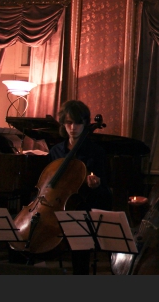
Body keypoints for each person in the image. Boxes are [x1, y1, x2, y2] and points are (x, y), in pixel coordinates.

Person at [48, 100, 113, 274]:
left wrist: (96, 184)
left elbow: (105, 191)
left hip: (82, 206)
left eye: (78, 123)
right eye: (69, 122)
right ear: (63, 123)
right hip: (57, 205)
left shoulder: (96, 152)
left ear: (85, 124)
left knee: (80, 236)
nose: (73, 127)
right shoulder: (55, 151)